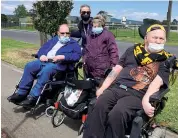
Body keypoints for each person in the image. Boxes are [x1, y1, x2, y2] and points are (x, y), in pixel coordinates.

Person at [82, 24, 173, 138]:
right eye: (155, 37)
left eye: (161, 38)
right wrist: (103, 87)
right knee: (99, 104)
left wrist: (146, 99)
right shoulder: (132, 50)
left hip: (137, 94)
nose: (158, 41)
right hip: (118, 88)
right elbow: (116, 69)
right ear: (146, 38)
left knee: (118, 112)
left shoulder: (165, 59)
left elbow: (157, 82)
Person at [8, 24, 82, 107]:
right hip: (45, 61)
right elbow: (42, 49)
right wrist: (42, 55)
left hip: (59, 64)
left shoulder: (73, 43)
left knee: (46, 70)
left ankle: (33, 97)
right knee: (29, 66)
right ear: (58, 33)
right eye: (62, 33)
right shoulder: (54, 40)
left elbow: (77, 56)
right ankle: (21, 93)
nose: (65, 35)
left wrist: (63, 57)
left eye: (67, 33)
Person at [83, 15, 119, 80]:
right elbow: (87, 49)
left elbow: (113, 51)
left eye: (98, 26)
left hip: (102, 69)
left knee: (100, 87)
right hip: (89, 69)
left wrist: (113, 65)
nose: (95, 28)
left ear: (102, 26)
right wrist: (85, 60)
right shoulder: (90, 36)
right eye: (94, 26)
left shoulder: (108, 35)